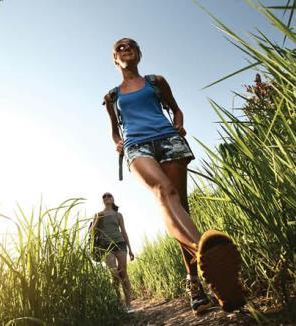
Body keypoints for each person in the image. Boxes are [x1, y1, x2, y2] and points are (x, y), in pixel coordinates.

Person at [102, 38, 245, 315]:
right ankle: (205, 251)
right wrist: (117, 143)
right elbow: (114, 131)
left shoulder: (156, 81)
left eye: (130, 45)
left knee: (180, 205)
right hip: (137, 146)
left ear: (138, 54)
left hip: (168, 140)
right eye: (119, 47)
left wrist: (179, 125)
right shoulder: (112, 96)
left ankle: (196, 282)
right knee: (163, 191)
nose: (125, 48)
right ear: (114, 59)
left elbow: (176, 108)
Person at [91, 192, 134, 309]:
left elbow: (124, 232)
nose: (106, 197)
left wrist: (130, 250)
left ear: (113, 199)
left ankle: (129, 304)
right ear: (102, 201)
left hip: (120, 244)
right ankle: (119, 302)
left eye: (109, 196)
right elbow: (92, 231)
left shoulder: (118, 215)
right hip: (106, 246)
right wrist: (96, 220)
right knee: (114, 273)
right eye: (104, 197)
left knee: (123, 272)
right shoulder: (98, 214)